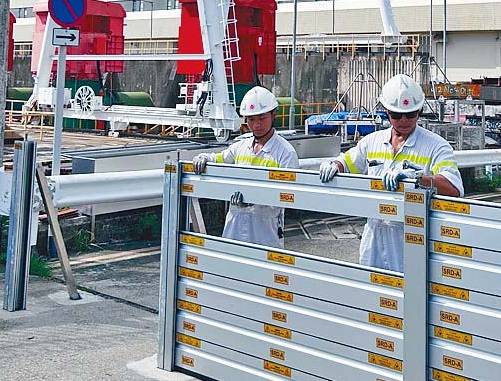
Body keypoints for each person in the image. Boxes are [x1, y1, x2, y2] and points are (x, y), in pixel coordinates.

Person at [318, 74, 464, 272]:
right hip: (374, 233)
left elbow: (454, 188)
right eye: (396, 115)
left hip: (413, 233)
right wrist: (335, 165)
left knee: (411, 294)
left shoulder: (436, 146)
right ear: (386, 112)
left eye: (410, 114)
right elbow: (348, 161)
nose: (403, 120)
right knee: (372, 293)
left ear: (420, 111)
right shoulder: (372, 142)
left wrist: (420, 179)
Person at [194, 86, 298, 247]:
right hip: (234, 225)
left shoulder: (285, 153)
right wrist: (205, 158)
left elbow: (288, 196)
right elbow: (220, 158)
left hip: (264, 229)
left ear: (274, 114)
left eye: (261, 118)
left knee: (263, 270)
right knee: (231, 269)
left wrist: (254, 200)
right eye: (251, 119)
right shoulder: (240, 147)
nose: (256, 124)